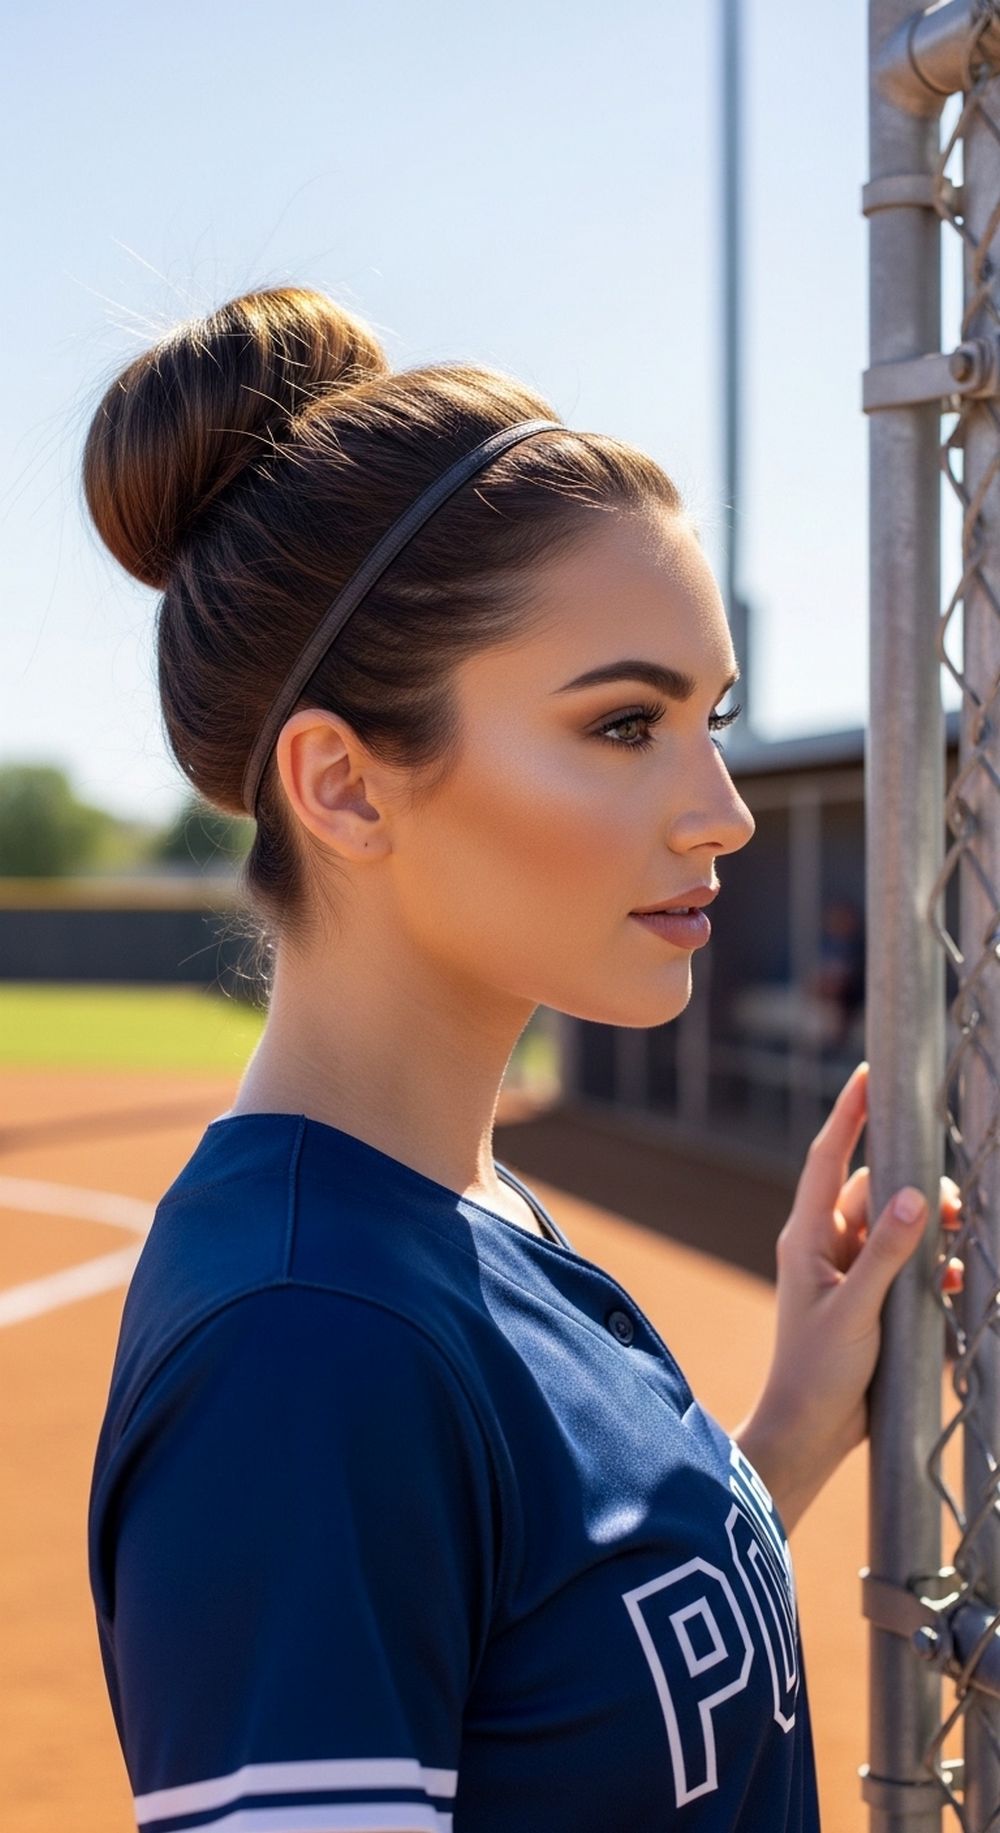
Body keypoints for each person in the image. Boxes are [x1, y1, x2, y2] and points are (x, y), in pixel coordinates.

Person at [84, 286, 961, 1833]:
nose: (724, 810)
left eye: (713, 719)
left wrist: (781, 1441)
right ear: (346, 786)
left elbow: (562, 1694)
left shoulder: (458, 1213)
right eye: (626, 725)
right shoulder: (302, 1348)